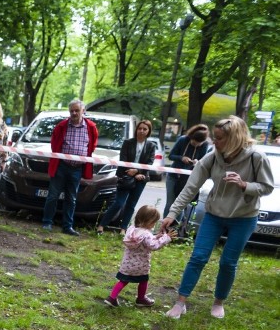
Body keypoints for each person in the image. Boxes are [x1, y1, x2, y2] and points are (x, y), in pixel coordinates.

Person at [161, 116, 274, 319]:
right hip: (214, 215)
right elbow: (190, 188)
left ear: (234, 139)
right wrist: (171, 213)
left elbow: (267, 187)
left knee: (228, 262)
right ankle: (180, 303)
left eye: (220, 138)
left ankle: (218, 302)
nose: (215, 142)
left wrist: (244, 185)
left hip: (244, 217)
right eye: (215, 137)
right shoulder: (212, 157)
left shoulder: (256, 157)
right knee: (198, 257)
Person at [42, 99, 98, 236]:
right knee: (53, 196)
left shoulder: (90, 127)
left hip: (77, 169)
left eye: (77, 110)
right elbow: (54, 144)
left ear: (83, 111)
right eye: (72, 110)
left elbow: (92, 145)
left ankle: (67, 226)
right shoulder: (61, 126)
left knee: (71, 198)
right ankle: (47, 222)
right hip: (61, 166)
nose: (74, 113)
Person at [103, 205, 176, 307]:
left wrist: (156, 237)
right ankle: (141, 299)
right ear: (149, 221)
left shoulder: (132, 229)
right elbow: (153, 246)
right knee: (143, 280)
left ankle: (112, 298)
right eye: (154, 222)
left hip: (128, 264)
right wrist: (166, 238)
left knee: (123, 280)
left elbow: (143, 240)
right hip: (141, 265)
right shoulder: (146, 234)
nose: (154, 225)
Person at [96, 120, 157, 235]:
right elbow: (123, 159)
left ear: (148, 131)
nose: (142, 131)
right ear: (136, 129)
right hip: (125, 175)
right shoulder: (128, 142)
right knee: (118, 203)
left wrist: (138, 171)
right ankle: (101, 225)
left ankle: (123, 229)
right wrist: (133, 172)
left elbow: (149, 162)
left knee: (131, 205)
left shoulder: (151, 146)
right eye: (140, 128)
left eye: (145, 129)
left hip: (141, 178)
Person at [163, 124, 211, 218]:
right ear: (191, 137)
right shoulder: (182, 140)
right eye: (194, 142)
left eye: (199, 143)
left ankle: (176, 229)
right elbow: (171, 155)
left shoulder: (205, 145)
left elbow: (203, 161)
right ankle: (164, 226)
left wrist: (197, 162)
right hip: (174, 176)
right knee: (170, 203)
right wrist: (181, 158)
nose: (196, 145)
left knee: (181, 204)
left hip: (188, 179)